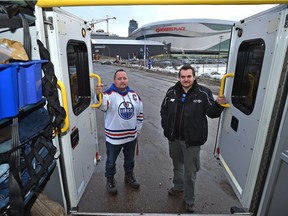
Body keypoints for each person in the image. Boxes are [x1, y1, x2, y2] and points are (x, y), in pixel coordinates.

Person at [160, 64, 226, 212]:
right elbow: (164, 110)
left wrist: (219, 105)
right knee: (177, 165)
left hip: (192, 142)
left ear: (194, 77)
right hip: (174, 139)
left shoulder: (203, 93)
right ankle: (178, 186)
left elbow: (212, 112)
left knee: (190, 173)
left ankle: (189, 199)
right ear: (179, 77)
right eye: (183, 77)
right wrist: (166, 127)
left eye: (189, 76)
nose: (186, 79)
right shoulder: (171, 92)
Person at [95, 69, 144, 195]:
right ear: (114, 81)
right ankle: (110, 179)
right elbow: (103, 105)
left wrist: (137, 130)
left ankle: (129, 176)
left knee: (130, 160)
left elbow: (140, 114)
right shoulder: (108, 94)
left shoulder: (134, 95)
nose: (122, 81)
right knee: (111, 161)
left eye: (124, 78)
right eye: (119, 78)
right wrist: (98, 95)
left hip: (131, 138)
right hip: (114, 138)